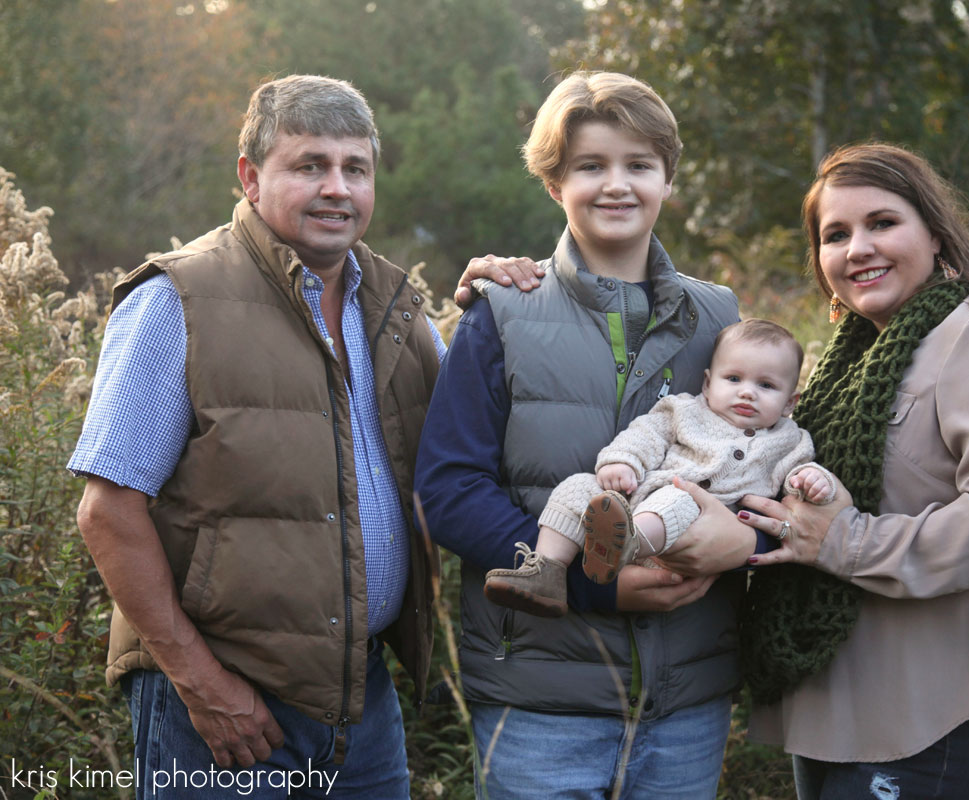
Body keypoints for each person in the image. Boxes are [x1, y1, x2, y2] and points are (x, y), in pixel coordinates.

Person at [69, 74, 528, 799]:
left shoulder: (397, 306)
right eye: (309, 165)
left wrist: (494, 315)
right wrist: (203, 683)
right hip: (222, 708)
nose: (336, 188)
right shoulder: (176, 301)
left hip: (361, 699)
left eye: (356, 168)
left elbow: (469, 448)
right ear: (251, 177)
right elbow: (108, 511)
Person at [414, 71, 752, 798]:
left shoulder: (721, 318)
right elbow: (449, 490)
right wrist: (590, 586)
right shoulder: (502, 311)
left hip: (688, 701)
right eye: (590, 166)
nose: (616, 185)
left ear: (668, 177)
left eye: (639, 165)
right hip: (541, 700)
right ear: (554, 182)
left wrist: (746, 542)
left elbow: (760, 459)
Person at [706, 143, 969, 799]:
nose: (857, 249)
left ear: (935, 232)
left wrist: (844, 540)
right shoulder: (846, 365)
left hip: (937, 726)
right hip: (832, 720)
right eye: (835, 235)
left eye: (882, 223)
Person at [483, 318, 837, 618]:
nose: (747, 393)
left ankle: (626, 543)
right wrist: (623, 461)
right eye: (734, 379)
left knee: (678, 499)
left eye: (766, 385)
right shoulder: (683, 411)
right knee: (578, 486)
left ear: (791, 402)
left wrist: (811, 480)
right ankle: (545, 570)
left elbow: (796, 482)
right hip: (635, 498)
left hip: (696, 525)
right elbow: (646, 435)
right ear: (707, 383)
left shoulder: (790, 440)